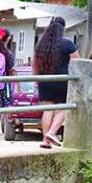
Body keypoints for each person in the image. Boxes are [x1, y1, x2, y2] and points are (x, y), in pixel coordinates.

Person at [32, 17, 78, 148]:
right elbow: (78, 62)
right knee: (64, 107)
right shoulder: (67, 44)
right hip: (61, 80)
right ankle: (52, 132)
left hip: (44, 80)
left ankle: (45, 140)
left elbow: (34, 63)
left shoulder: (41, 44)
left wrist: (36, 79)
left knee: (48, 109)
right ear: (62, 29)